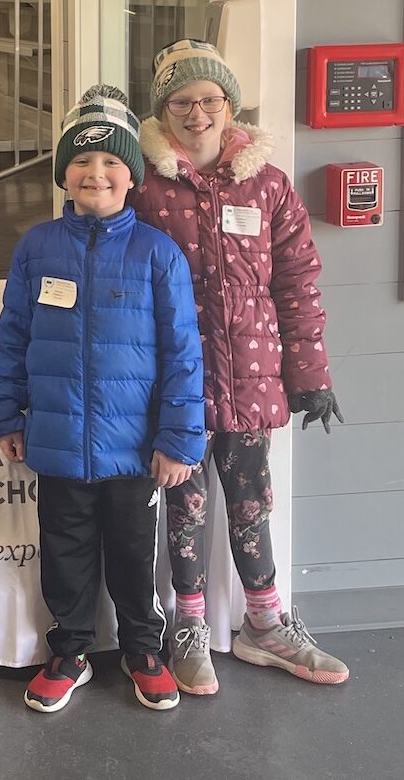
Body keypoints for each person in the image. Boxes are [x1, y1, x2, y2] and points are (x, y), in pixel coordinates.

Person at [129, 39, 348, 694]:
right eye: (181, 101)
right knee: (185, 505)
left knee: (251, 502)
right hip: (176, 385)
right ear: (163, 110)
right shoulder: (141, 186)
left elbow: (296, 281)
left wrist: (309, 375)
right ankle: (189, 625)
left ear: (229, 105)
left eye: (209, 99)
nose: (196, 113)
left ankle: (265, 623)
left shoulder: (268, 185)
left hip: (251, 378)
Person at [0, 86, 206, 714]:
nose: (97, 173)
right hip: (57, 444)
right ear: (65, 173)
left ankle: (143, 649)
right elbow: (14, 337)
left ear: (132, 175)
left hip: (135, 453)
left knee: (136, 556)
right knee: (64, 553)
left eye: (112, 163)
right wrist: (6, 412)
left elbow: (184, 357)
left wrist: (178, 439)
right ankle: (72, 650)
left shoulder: (157, 255)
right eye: (83, 162)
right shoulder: (36, 249)